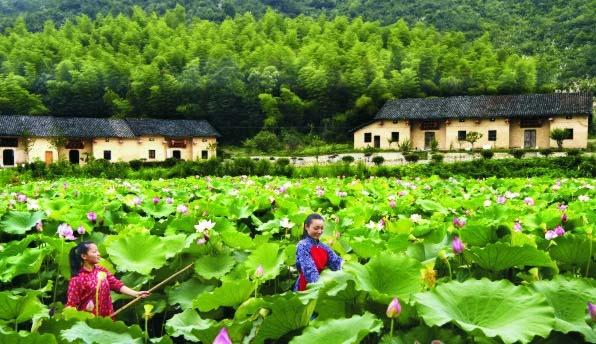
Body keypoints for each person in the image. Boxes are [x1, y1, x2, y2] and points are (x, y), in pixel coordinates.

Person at [66, 241, 150, 318]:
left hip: (107, 318)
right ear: (84, 256)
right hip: (88, 323)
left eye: (98, 251)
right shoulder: (77, 279)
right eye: (94, 252)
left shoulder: (101, 270)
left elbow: (116, 284)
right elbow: (72, 305)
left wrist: (135, 293)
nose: (98, 254)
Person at [294, 214, 342, 291]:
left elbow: (336, 262)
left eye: (322, 228)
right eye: (316, 228)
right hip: (307, 287)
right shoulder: (302, 245)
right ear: (306, 227)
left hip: (322, 284)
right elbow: (309, 271)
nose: (319, 231)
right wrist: (321, 287)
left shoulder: (324, 246)